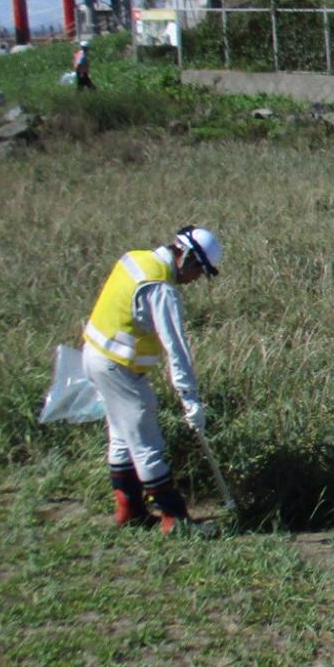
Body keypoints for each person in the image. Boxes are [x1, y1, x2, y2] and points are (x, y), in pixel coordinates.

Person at [81, 226, 221, 534]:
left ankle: (129, 510)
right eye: (200, 271)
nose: (196, 279)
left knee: (121, 436)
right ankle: (175, 519)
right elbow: (176, 350)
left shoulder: (136, 259)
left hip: (94, 356)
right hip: (118, 368)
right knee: (147, 444)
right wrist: (190, 399)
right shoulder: (161, 290)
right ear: (187, 258)